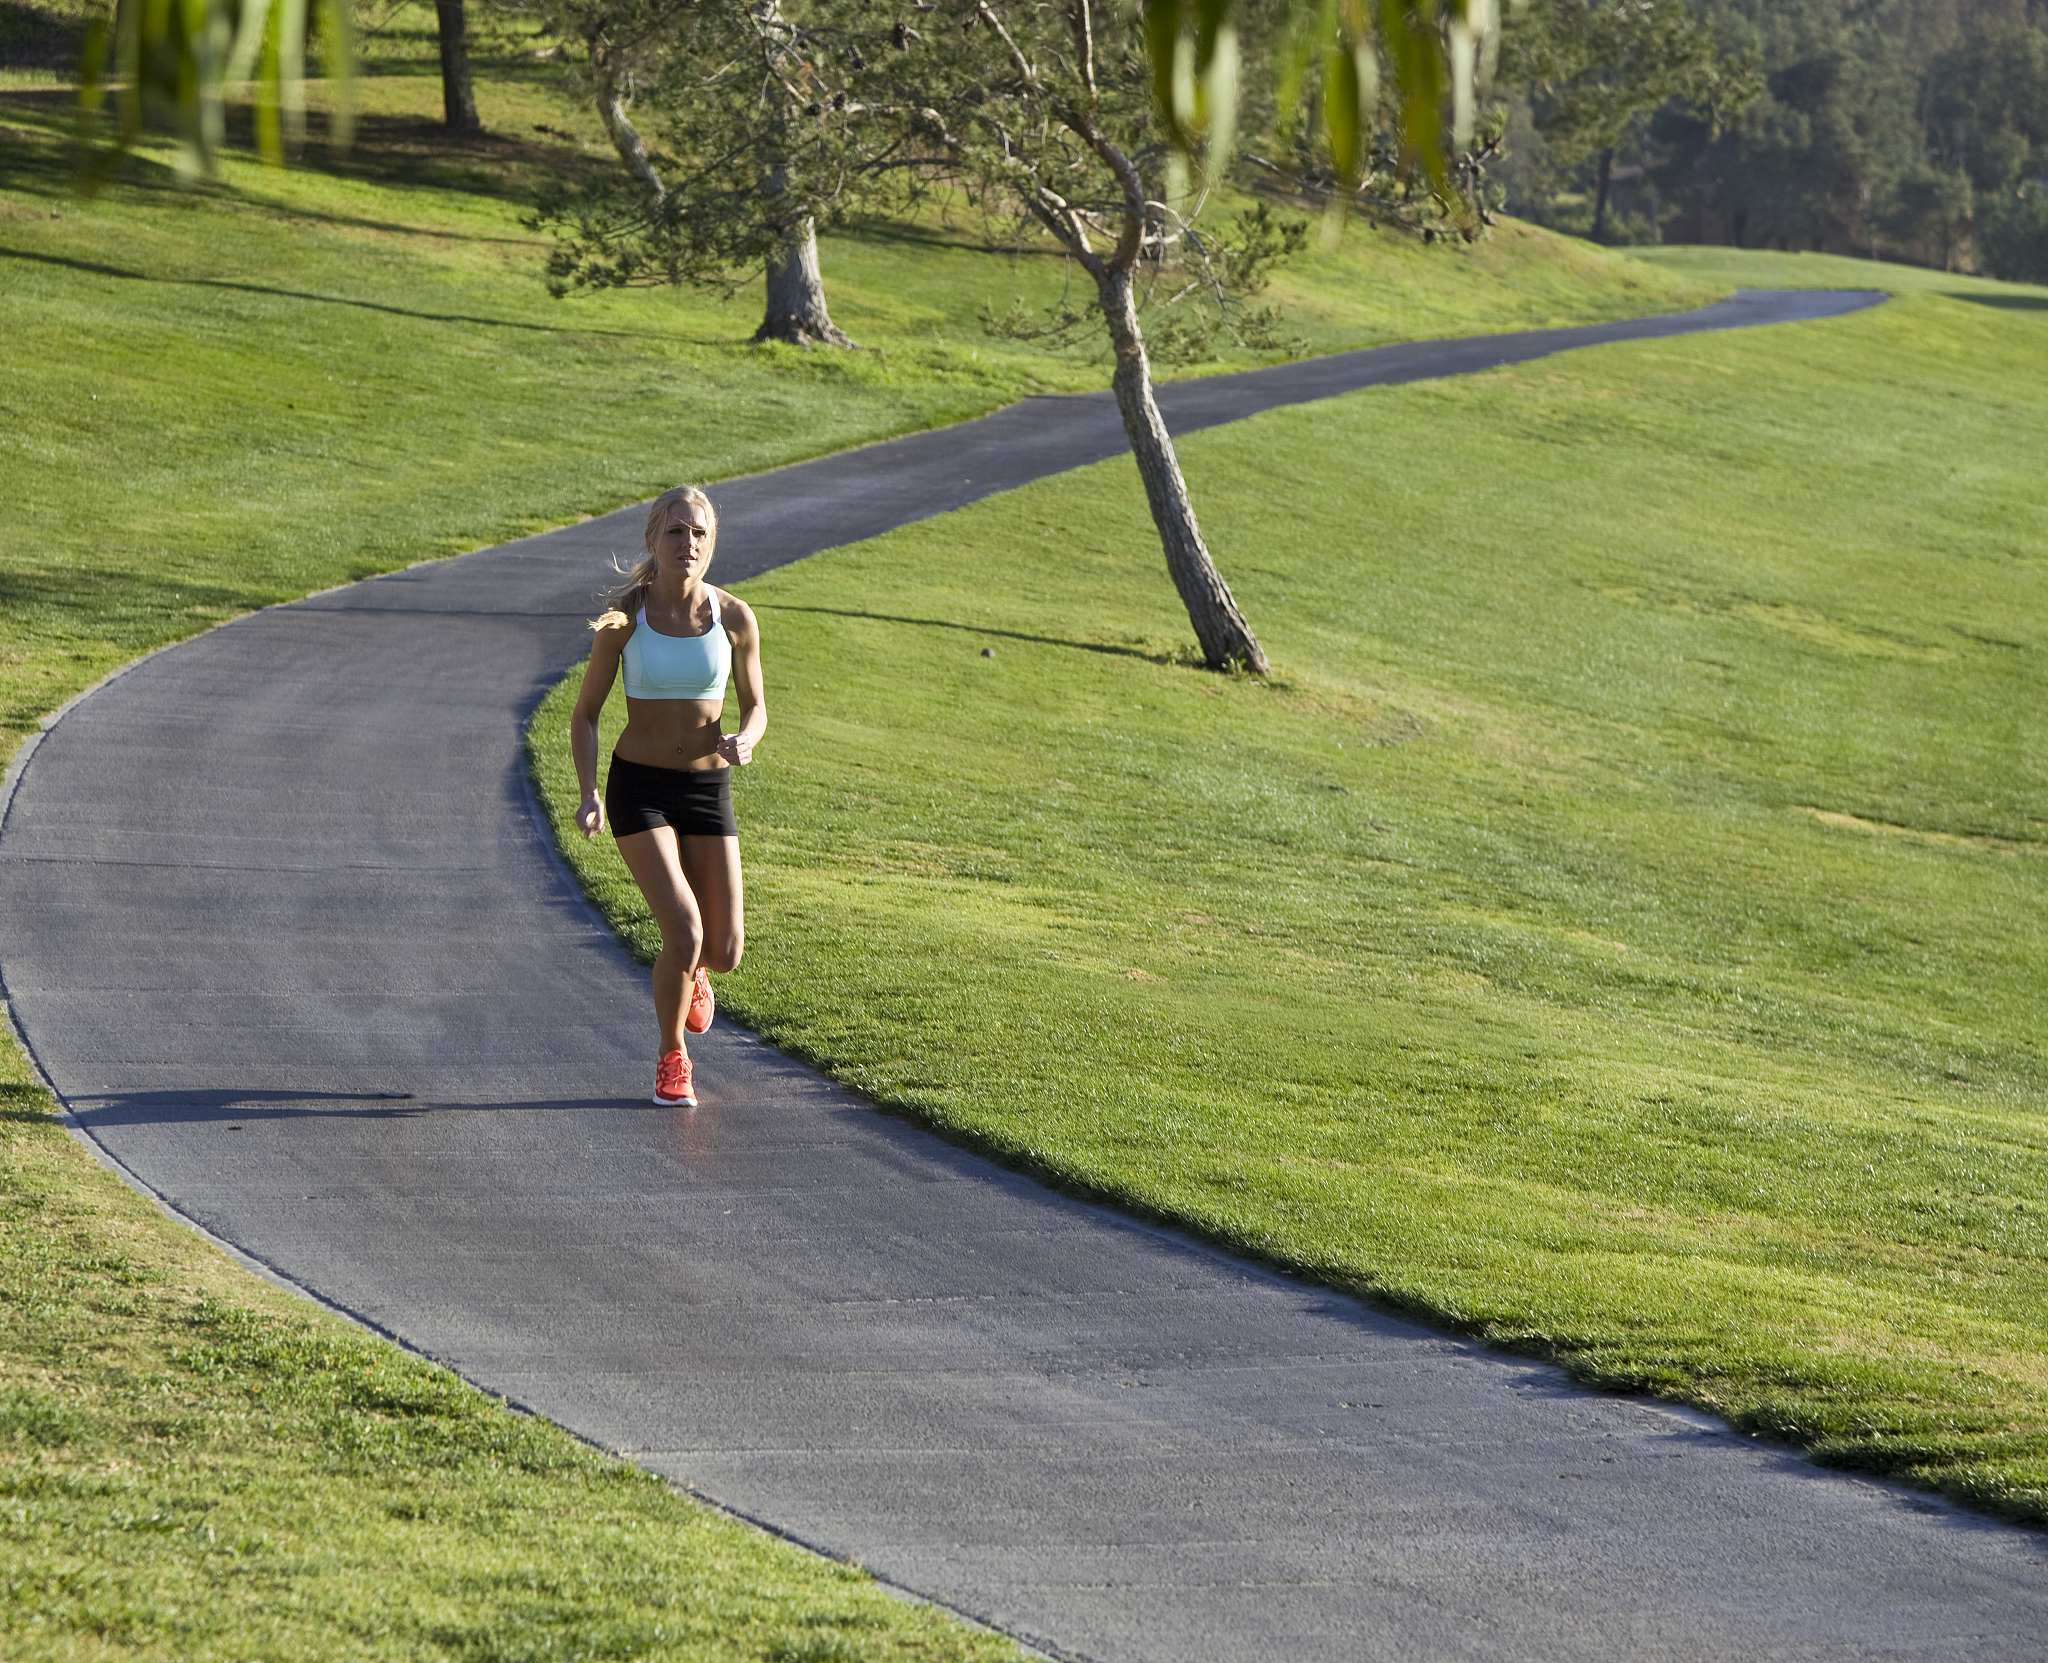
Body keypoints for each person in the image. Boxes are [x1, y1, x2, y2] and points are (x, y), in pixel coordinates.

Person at [570, 485, 765, 1107]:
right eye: (676, 531)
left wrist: (748, 739)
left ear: (712, 543)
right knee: (682, 929)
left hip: (708, 787)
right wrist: (588, 791)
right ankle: (670, 1057)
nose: (688, 544)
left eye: (699, 533)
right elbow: (586, 715)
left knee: (725, 949)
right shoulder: (623, 619)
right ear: (654, 539)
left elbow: (757, 705)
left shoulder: (734, 616)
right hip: (641, 788)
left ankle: (698, 972)